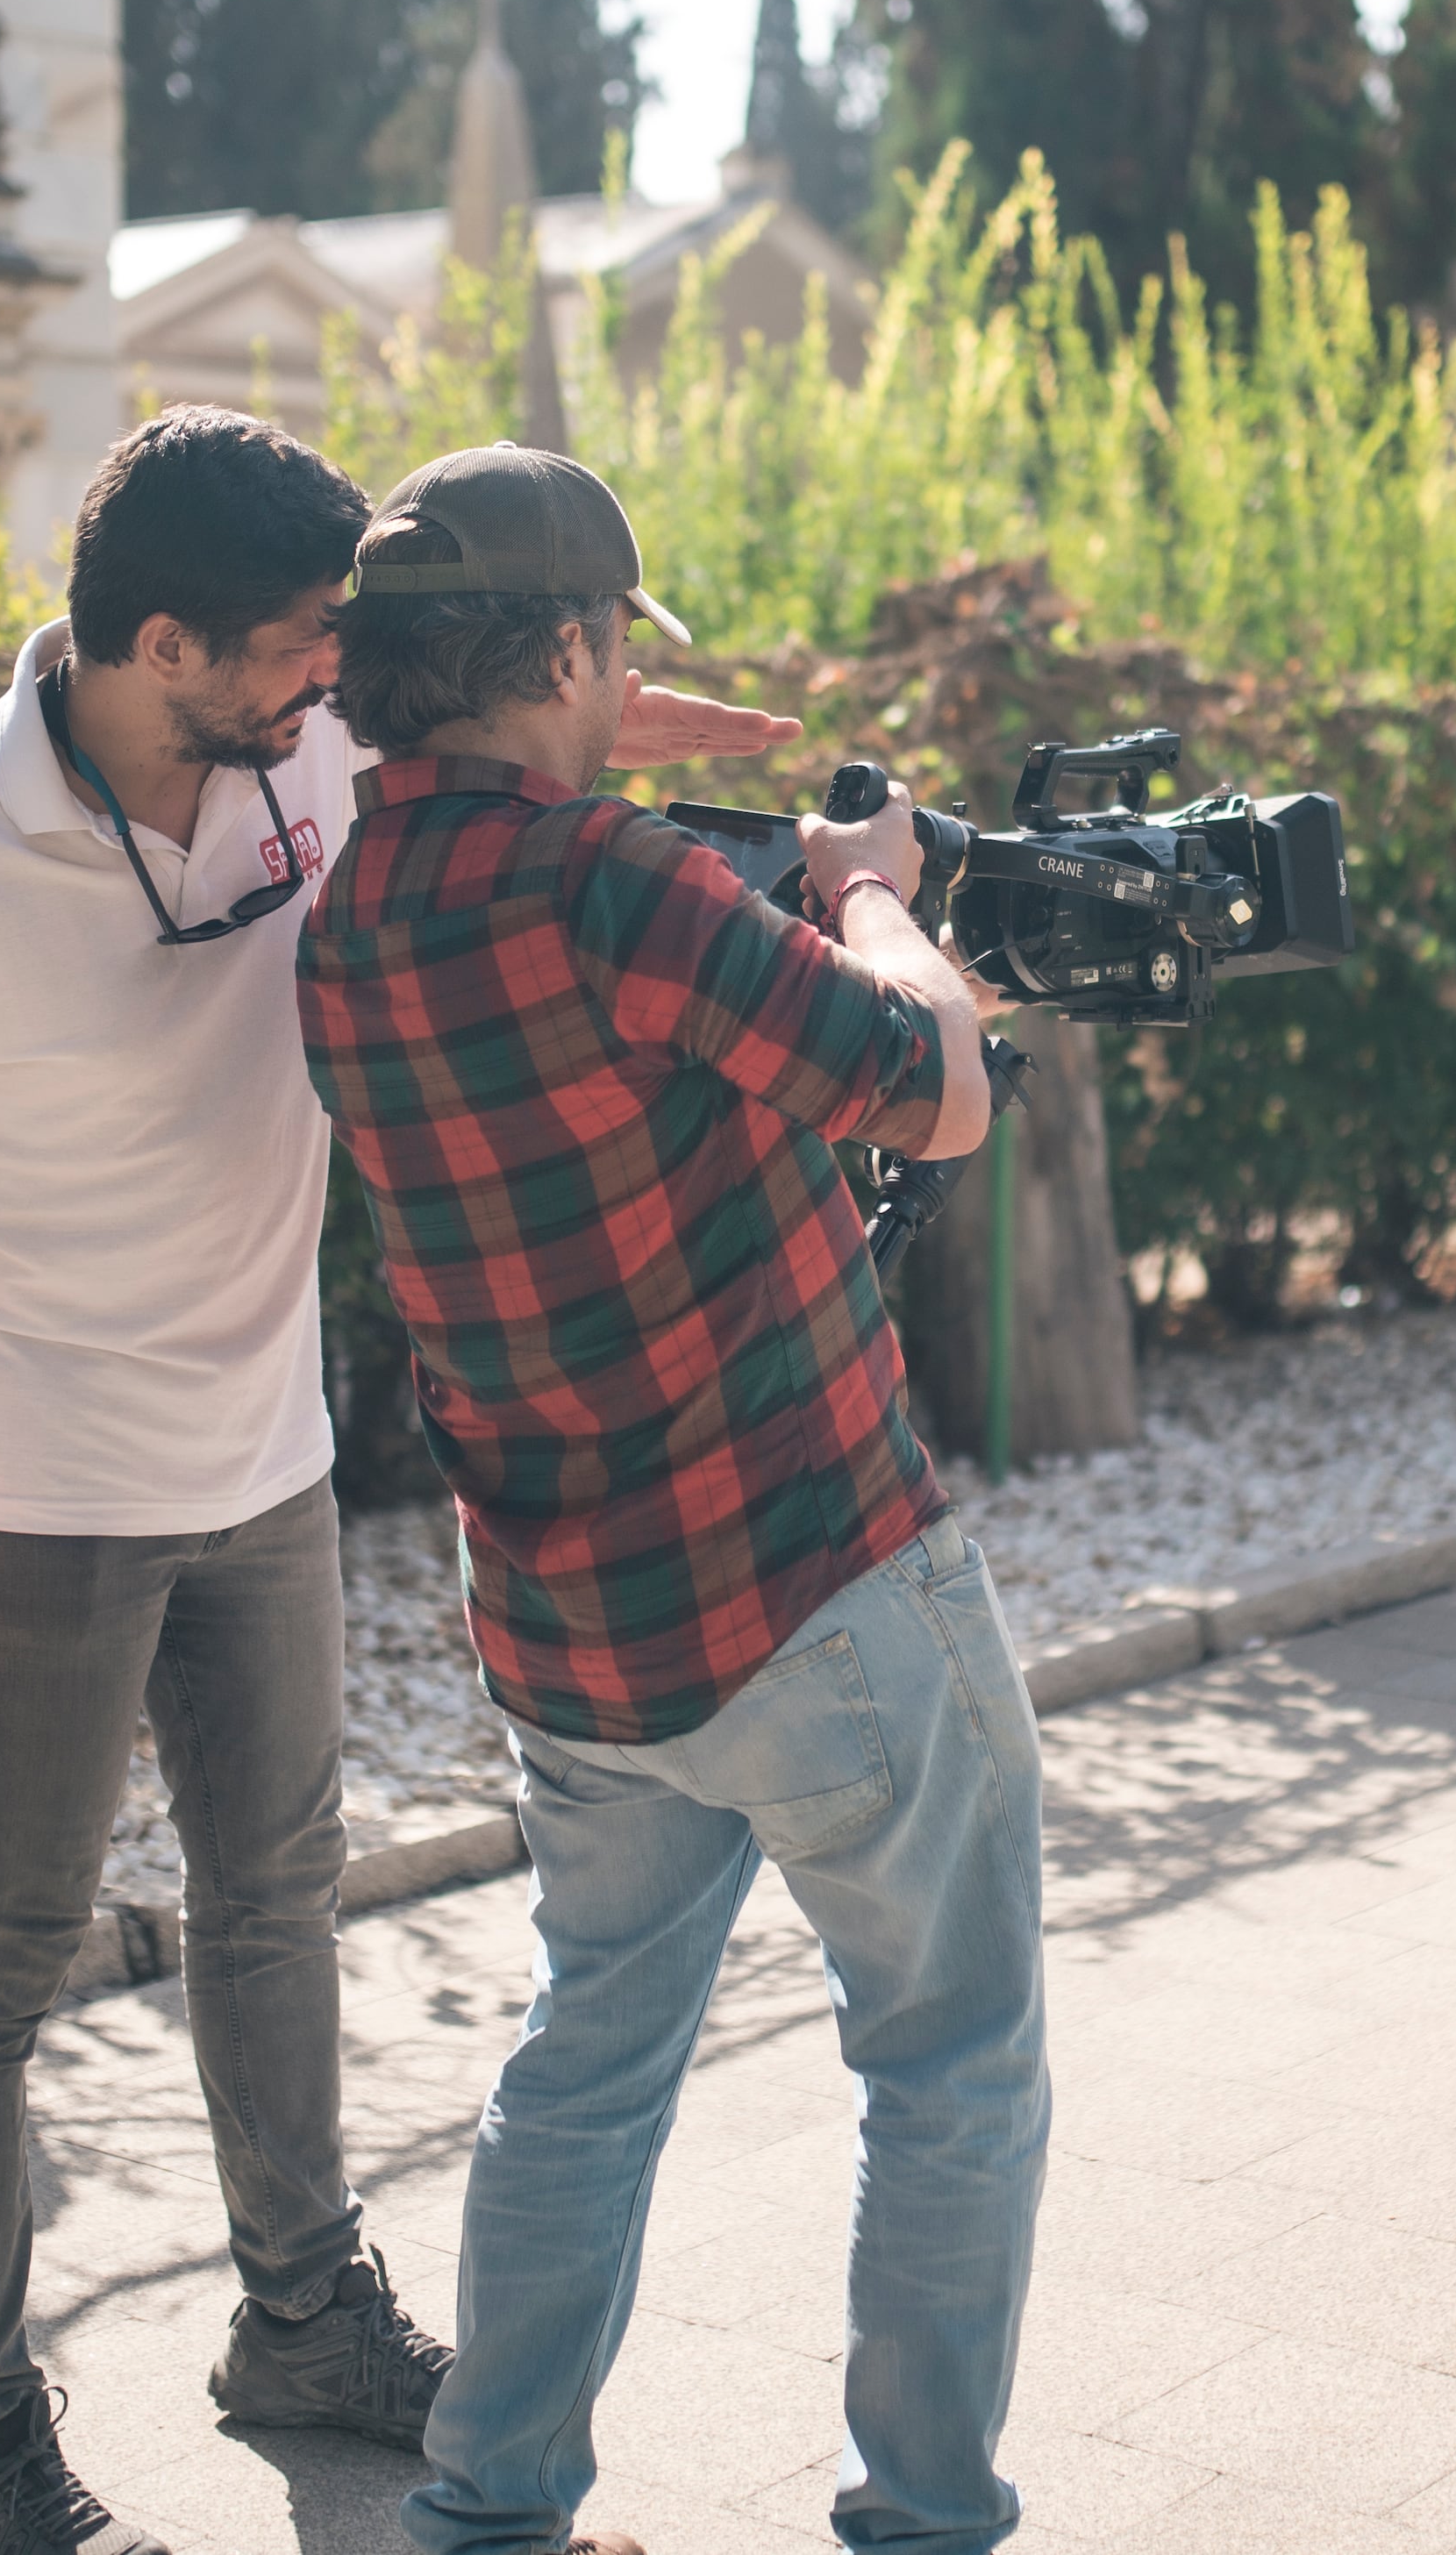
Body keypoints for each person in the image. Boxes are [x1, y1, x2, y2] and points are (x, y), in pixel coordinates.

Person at [0, 408, 796, 2555]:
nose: (336, 685)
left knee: (278, 1903)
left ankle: (299, 2318)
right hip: (19, 1492)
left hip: (262, 1453)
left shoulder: (302, 752)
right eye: (303, 648)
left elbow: (462, 775)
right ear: (163, 640)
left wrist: (582, 711)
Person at [295, 443, 1038, 2555]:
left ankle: (487, 2510)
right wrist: (875, 882)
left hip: (570, 1632)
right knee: (950, 2062)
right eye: (611, 640)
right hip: (820, 1581)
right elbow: (936, 1086)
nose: (627, 672)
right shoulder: (616, 885)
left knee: (586, 2063)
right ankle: (918, 2522)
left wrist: (626, 759)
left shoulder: (356, 917)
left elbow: (565, 898)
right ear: (554, 645)